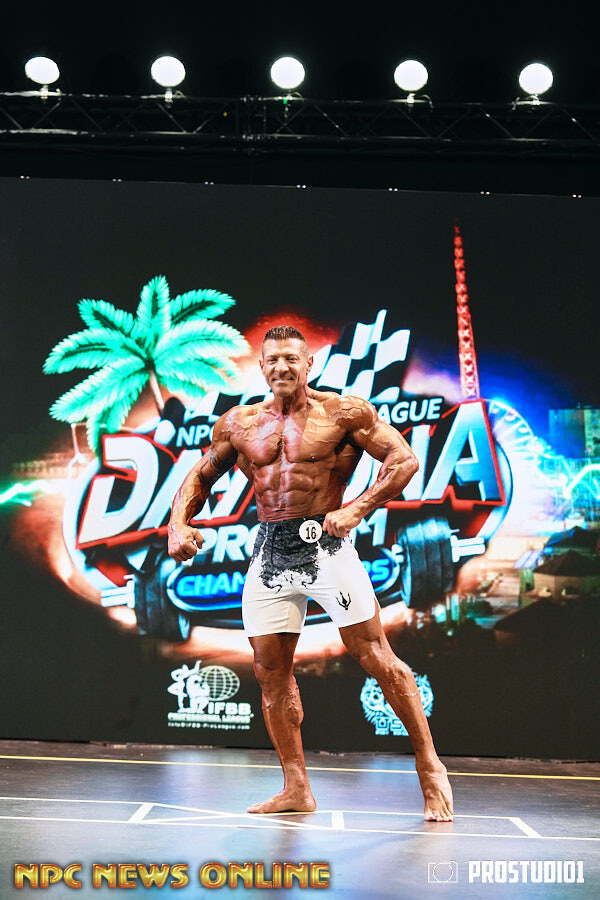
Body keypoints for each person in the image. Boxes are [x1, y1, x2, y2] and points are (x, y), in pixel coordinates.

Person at [168, 325, 453, 822]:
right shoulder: (239, 423)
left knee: (375, 655)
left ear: (308, 364)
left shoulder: (342, 412)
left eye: (291, 359)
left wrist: (358, 508)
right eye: (273, 359)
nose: (282, 367)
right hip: (269, 552)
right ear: (262, 367)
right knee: (270, 672)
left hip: (327, 546)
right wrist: (178, 523)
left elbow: (403, 459)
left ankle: (430, 767)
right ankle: (296, 787)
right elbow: (201, 473)